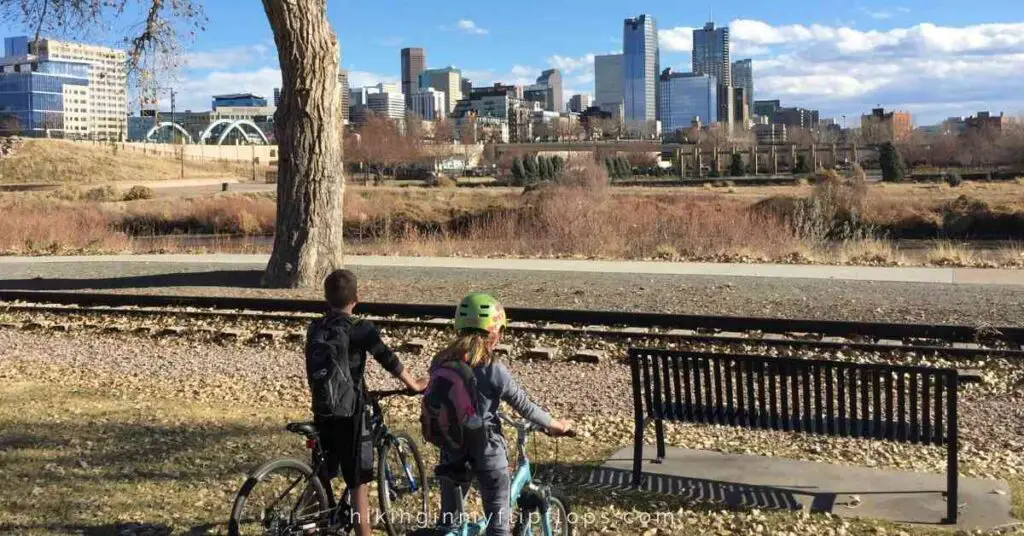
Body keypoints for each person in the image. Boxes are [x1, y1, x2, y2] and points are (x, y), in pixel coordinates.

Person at [432, 293, 573, 536]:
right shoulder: (493, 369)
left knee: (449, 523)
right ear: (495, 333)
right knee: (498, 525)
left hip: (451, 447)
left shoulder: (439, 361)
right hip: (487, 451)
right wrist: (555, 424)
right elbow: (525, 407)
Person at [308, 269, 428, 536]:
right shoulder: (360, 328)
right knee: (358, 484)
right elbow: (387, 358)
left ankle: (306, 521)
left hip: (322, 409)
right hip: (350, 414)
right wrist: (413, 384)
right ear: (357, 298)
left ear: (326, 298)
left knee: (322, 471)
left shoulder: (316, 327)